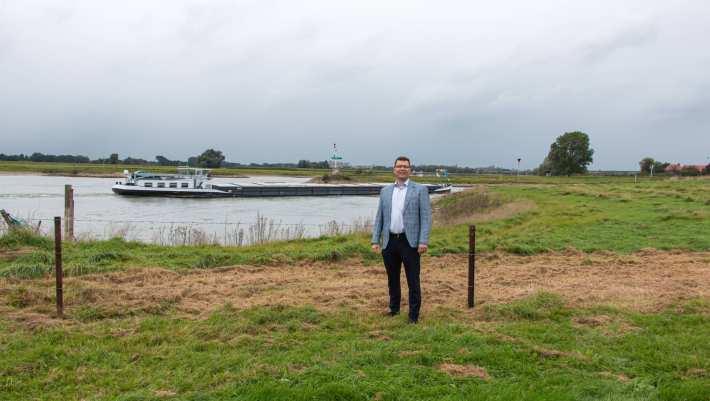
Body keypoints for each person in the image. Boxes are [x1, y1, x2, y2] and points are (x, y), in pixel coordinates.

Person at [371, 156, 432, 323]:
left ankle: (413, 316)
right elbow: (379, 218)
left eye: (405, 166)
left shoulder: (420, 190)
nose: (402, 169)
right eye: (399, 166)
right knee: (392, 278)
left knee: (413, 279)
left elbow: (426, 218)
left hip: (410, 242)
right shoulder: (385, 191)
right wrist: (375, 240)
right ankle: (394, 308)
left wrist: (423, 241)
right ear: (394, 169)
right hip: (390, 241)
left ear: (410, 170)